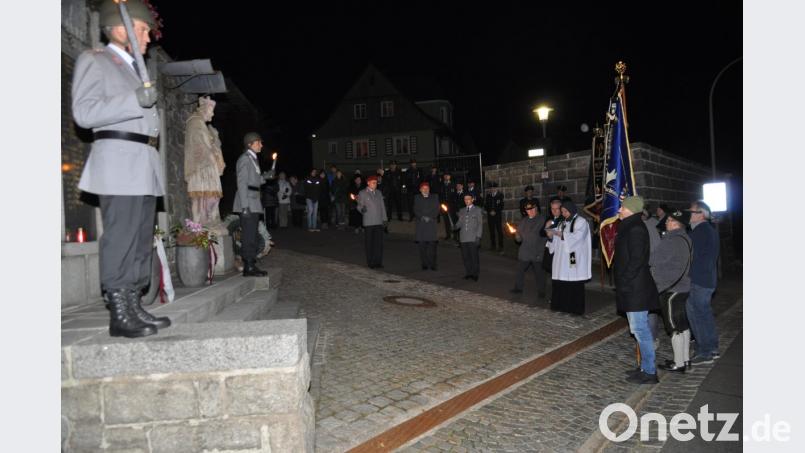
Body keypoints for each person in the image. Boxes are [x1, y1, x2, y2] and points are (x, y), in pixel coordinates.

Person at [72, 0, 170, 338]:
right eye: (143, 31)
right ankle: (119, 312)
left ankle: (134, 304)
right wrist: (133, 100)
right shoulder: (95, 60)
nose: (148, 38)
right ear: (119, 29)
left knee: (140, 239)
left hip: (142, 162)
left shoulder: (134, 69)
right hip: (117, 162)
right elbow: (84, 113)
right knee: (122, 238)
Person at [613, 196, 660, 384]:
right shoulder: (629, 227)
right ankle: (643, 367)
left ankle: (649, 371)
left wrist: (624, 280)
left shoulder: (635, 229)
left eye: (622, 208)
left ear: (630, 210)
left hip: (636, 287)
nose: (619, 210)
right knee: (637, 328)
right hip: (632, 286)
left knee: (641, 329)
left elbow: (637, 260)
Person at [652, 209, 693, 373]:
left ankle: (679, 363)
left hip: (670, 289)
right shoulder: (686, 238)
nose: (666, 223)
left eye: (669, 221)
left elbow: (653, 259)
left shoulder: (671, 240)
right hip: (683, 287)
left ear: (676, 224)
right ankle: (685, 359)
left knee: (674, 327)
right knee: (683, 325)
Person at [686, 200, 720, 365]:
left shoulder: (700, 231)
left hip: (699, 280)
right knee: (705, 315)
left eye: (691, 212)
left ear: (701, 214)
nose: (689, 214)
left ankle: (704, 351)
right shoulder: (708, 230)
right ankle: (712, 348)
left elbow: (691, 256)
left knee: (697, 315)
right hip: (706, 280)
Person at [183, 96, 225, 226]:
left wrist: (214, 141)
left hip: (207, 167)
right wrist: (212, 154)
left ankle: (206, 222)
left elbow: (210, 144)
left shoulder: (201, 124)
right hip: (201, 168)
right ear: (204, 109)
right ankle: (201, 224)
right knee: (203, 197)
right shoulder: (195, 123)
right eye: (211, 111)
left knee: (211, 197)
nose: (212, 115)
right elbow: (201, 145)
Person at [546, 200, 591, 315]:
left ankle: (574, 308)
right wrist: (551, 236)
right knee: (561, 281)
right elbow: (554, 241)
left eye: (565, 211)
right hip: (560, 257)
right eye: (563, 211)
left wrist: (561, 235)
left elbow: (578, 237)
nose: (564, 214)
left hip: (572, 255)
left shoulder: (581, 222)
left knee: (573, 278)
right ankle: (560, 306)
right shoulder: (562, 223)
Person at [233, 132, 269, 278]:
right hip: (247, 201)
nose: (261, 145)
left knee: (252, 235)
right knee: (248, 236)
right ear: (250, 144)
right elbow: (241, 183)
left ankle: (251, 264)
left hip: (253, 200)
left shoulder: (253, 160)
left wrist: (266, 176)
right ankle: (248, 266)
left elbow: (254, 181)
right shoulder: (245, 159)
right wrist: (245, 206)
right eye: (258, 142)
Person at [511, 201, 549, 300]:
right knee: (520, 270)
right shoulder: (524, 221)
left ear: (536, 208)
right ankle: (518, 288)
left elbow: (535, 234)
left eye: (532, 209)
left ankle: (541, 291)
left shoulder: (542, 219)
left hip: (537, 251)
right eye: (528, 210)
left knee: (539, 273)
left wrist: (522, 235)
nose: (530, 211)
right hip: (525, 252)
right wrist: (517, 236)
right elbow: (519, 238)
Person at [357, 175, 388, 268]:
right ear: (368, 183)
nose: (375, 184)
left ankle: (378, 262)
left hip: (378, 221)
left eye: (376, 183)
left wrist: (385, 219)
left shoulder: (379, 192)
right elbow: (359, 206)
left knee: (378, 244)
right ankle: (371, 262)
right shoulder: (362, 193)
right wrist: (362, 209)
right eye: (373, 183)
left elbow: (382, 206)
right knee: (370, 244)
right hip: (369, 222)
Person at [454, 193, 483, 281]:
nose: (467, 201)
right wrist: (455, 226)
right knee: (466, 257)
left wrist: (478, 236)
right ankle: (469, 273)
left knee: (474, 257)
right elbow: (460, 223)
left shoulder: (477, 210)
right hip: (463, 237)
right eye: (465, 199)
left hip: (473, 237)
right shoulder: (462, 210)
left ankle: (475, 274)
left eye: (468, 199)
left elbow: (480, 224)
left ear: (472, 199)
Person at [414, 182, 440, 270]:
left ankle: (433, 264)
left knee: (432, 247)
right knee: (422, 247)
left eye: (427, 188)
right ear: (420, 190)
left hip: (431, 224)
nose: (426, 190)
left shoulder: (434, 197)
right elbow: (415, 209)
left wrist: (431, 217)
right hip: (421, 225)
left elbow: (437, 209)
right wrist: (422, 217)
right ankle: (424, 264)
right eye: (424, 188)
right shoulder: (417, 198)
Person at [484, 182, 505, 253]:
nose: (492, 189)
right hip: (490, 216)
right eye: (491, 188)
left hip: (497, 216)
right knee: (491, 231)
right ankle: (493, 245)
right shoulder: (488, 196)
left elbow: (501, 206)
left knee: (499, 231)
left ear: (496, 188)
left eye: (494, 188)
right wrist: (489, 211)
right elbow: (486, 206)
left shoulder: (500, 195)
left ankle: (501, 246)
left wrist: (495, 211)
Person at [439, 172, 457, 240]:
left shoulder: (453, 184)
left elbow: (455, 195)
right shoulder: (441, 185)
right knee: (446, 220)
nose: (446, 177)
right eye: (445, 176)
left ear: (450, 177)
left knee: (453, 220)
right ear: (444, 177)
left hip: (452, 205)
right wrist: (441, 204)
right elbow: (440, 195)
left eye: (448, 176)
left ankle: (455, 236)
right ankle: (448, 235)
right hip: (444, 205)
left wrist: (454, 205)